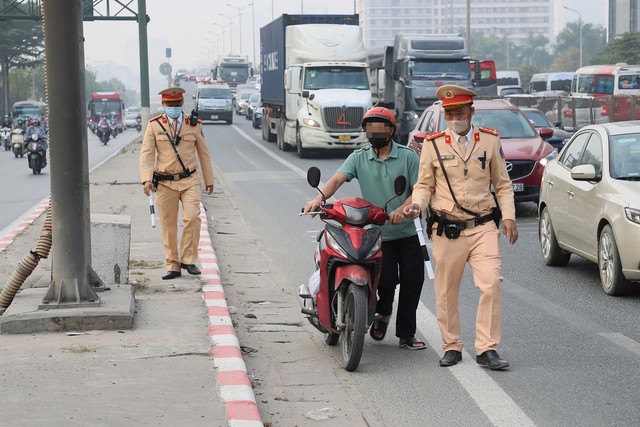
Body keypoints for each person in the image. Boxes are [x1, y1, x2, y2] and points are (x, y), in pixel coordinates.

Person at [403, 84, 518, 370]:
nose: (455, 118)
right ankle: (452, 345)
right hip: (447, 230)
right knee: (445, 290)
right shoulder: (433, 144)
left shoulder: (490, 142)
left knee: (491, 283)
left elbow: (502, 184)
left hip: (482, 227)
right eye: (450, 113)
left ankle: (487, 348)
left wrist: (509, 217)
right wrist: (417, 204)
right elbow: (424, 184)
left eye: (460, 112)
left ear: (471, 112)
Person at [303, 107, 426, 350]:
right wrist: (318, 199)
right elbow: (337, 180)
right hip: (378, 232)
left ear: (391, 130)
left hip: (409, 232)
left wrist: (402, 210)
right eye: (370, 128)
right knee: (385, 280)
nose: (375, 132)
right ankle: (383, 314)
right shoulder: (359, 157)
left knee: (413, 281)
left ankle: (406, 335)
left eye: (380, 127)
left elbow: (418, 189)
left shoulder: (408, 157)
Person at [139, 87, 214, 280]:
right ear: (163, 105)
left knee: (193, 218)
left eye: (176, 104)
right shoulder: (154, 125)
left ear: (182, 104)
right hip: (165, 183)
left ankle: (188, 260)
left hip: (190, 180)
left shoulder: (194, 124)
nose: (173, 108)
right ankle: (172, 265)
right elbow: (147, 154)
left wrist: (209, 180)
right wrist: (147, 179)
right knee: (168, 224)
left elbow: (203, 153)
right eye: (170, 105)